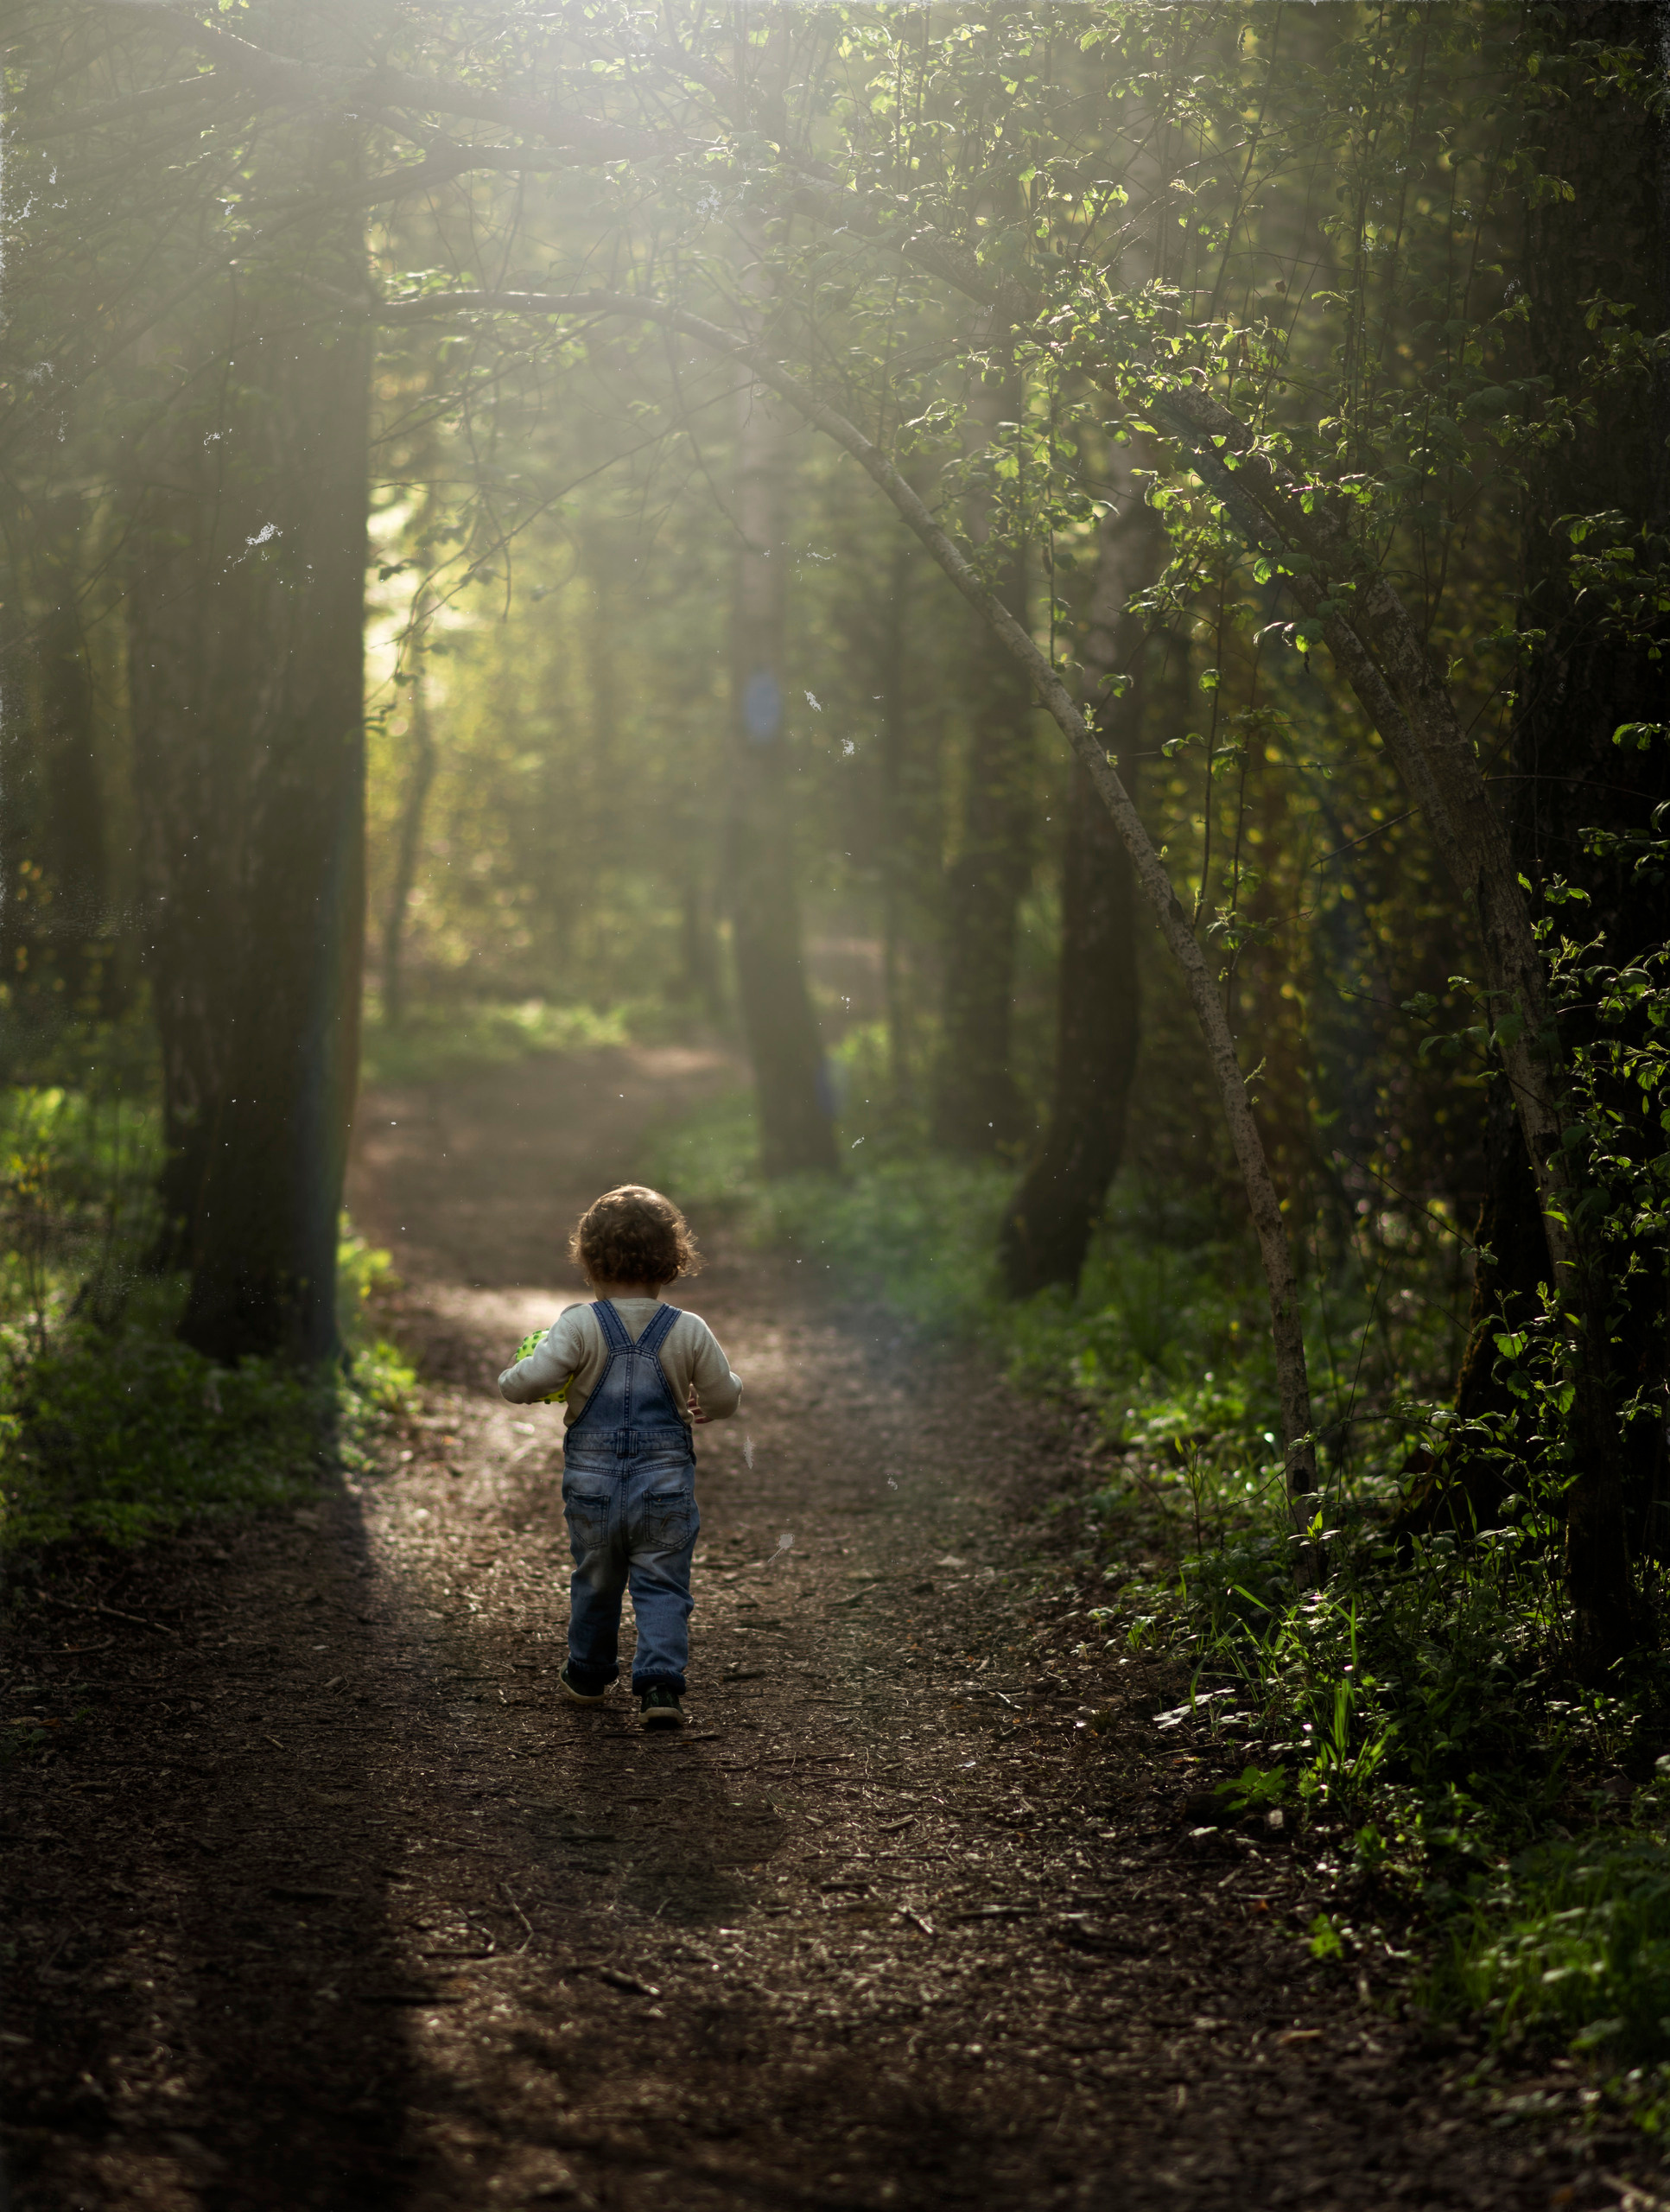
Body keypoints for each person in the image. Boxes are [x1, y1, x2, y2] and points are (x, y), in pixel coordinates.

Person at [498, 1184, 741, 1730]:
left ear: (589, 1260)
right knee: (663, 1582)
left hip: (593, 1485)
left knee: (596, 1576)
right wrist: (718, 1397)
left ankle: (588, 1674)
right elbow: (724, 1399)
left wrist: (513, 1377)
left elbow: (529, 1383)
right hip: (665, 1484)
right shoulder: (689, 1329)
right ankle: (660, 1685)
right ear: (672, 1261)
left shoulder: (578, 1324)